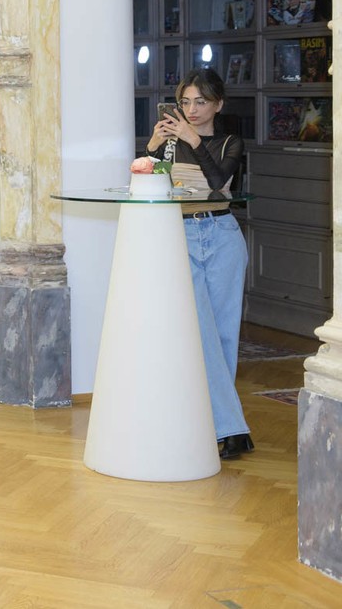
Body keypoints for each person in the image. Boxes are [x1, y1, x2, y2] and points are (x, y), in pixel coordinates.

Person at [145, 68, 251, 460]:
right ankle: (232, 428)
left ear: (218, 105)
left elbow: (219, 180)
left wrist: (193, 140)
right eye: (185, 101)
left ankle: (214, 425)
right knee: (200, 332)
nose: (192, 109)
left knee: (223, 336)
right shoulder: (170, 145)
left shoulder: (230, 142)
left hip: (222, 235)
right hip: (182, 236)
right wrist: (153, 148)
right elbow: (148, 183)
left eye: (201, 102)